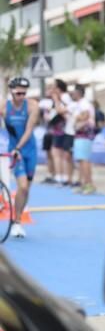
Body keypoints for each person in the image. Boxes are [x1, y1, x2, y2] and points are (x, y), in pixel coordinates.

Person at [1, 78, 39, 238]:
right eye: (18, 92)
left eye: (24, 92)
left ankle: (18, 220)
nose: (21, 95)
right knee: (22, 186)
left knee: (26, 189)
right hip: (14, 151)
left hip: (29, 149)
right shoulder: (4, 107)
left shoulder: (32, 106)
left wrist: (18, 148)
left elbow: (29, 130)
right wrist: (14, 149)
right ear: (11, 91)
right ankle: (16, 223)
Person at [70, 85, 97, 195]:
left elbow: (86, 115)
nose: (72, 94)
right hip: (79, 134)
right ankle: (83, 183)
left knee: (85, 160)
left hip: (85, 134)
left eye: (74, 92)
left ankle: (89, 184)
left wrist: (77, 118)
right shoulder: (79, 104)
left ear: (78, 92)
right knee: (81, 160)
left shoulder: (85, 103)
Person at [48, 79, 71, 186]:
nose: (52, 89)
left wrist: (56, 99)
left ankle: (61, 177)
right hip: (59, 129)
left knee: (58, 153)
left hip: (62, 129)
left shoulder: (64, 97)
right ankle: (61, 176)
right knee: (58, 154)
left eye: (54, 87)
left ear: (58, 88)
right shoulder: (62, 97)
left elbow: (61, 110)